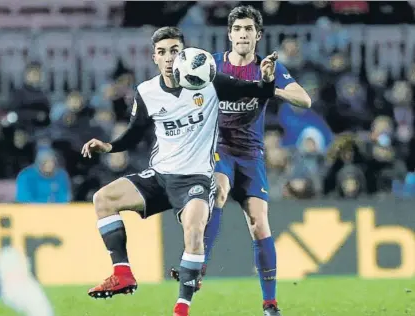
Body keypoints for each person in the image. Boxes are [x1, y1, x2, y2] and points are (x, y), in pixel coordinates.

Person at [81, 26, 277, 316]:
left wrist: (268, 79)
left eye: (174, 50)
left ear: (183, 53)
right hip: (160, 176)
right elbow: (135, 134)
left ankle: (182, 308)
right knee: (103, 199)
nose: (169, 57)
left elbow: (258, 92)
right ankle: (122, 273)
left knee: (194, 229)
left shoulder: (208, 82)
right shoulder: (146, 92)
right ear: (154, 58)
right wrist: (108, 146)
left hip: (196, 179)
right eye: (162, 52)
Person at [196, 5, 311, 316]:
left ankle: (270, 303)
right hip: (219, 148)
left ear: (258, 35)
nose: (243, 34)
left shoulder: (268, 67)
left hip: (251, 155)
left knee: (259, 225)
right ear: (230, 34)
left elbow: (305, 99)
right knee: (218, 190)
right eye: (238, 29)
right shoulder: (212, 65)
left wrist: (270, 86)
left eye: (249, 29)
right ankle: (200, 265)